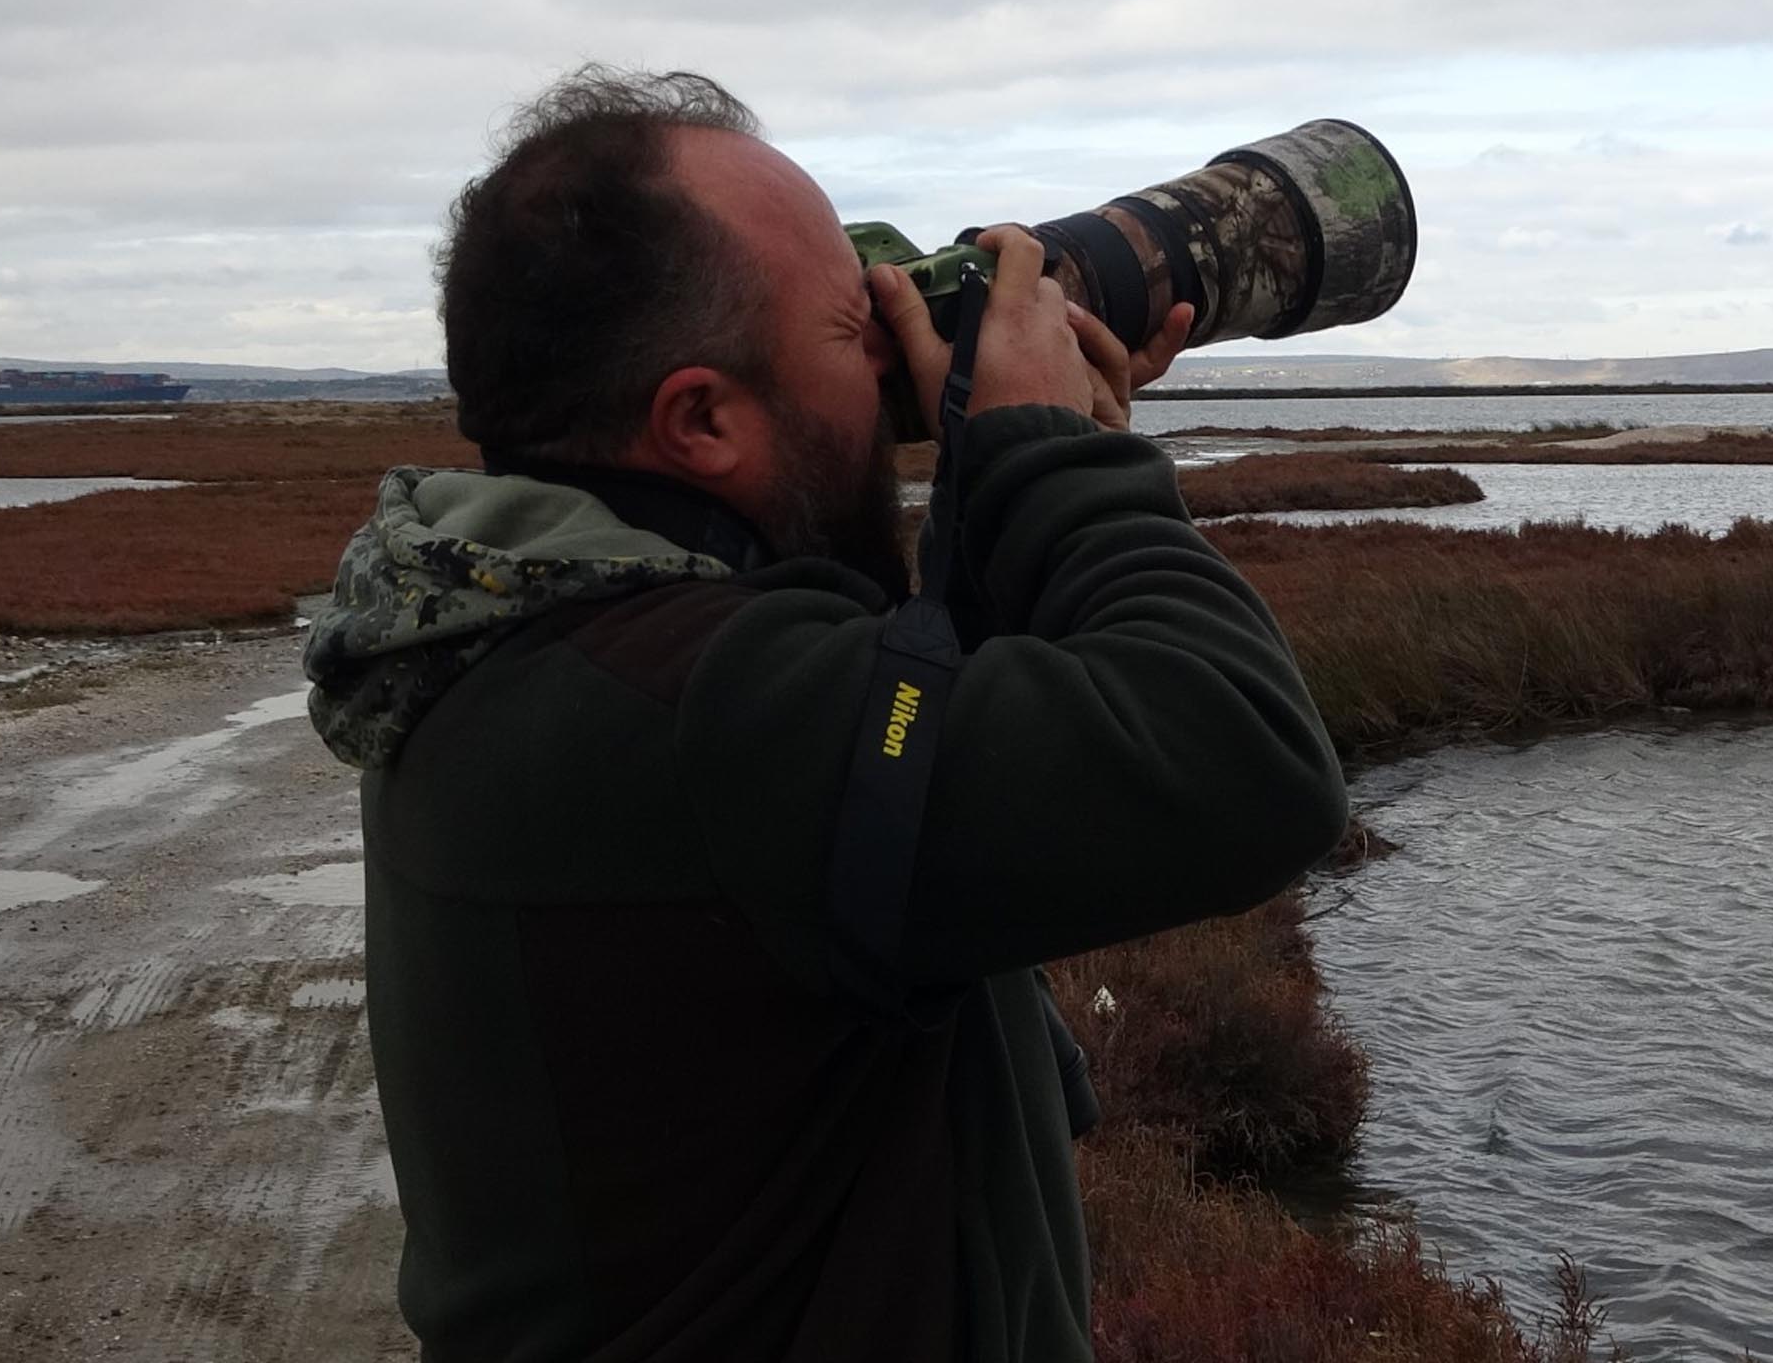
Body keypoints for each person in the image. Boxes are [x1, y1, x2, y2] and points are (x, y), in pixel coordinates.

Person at [302, 67, 1349, 1361]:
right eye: (856, 329)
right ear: (701, 419)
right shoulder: (704, 712)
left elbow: (896, 739)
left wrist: (992, 482)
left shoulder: (523, 634)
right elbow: (1244, 757)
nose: (898, 352)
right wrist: (1058, 462)